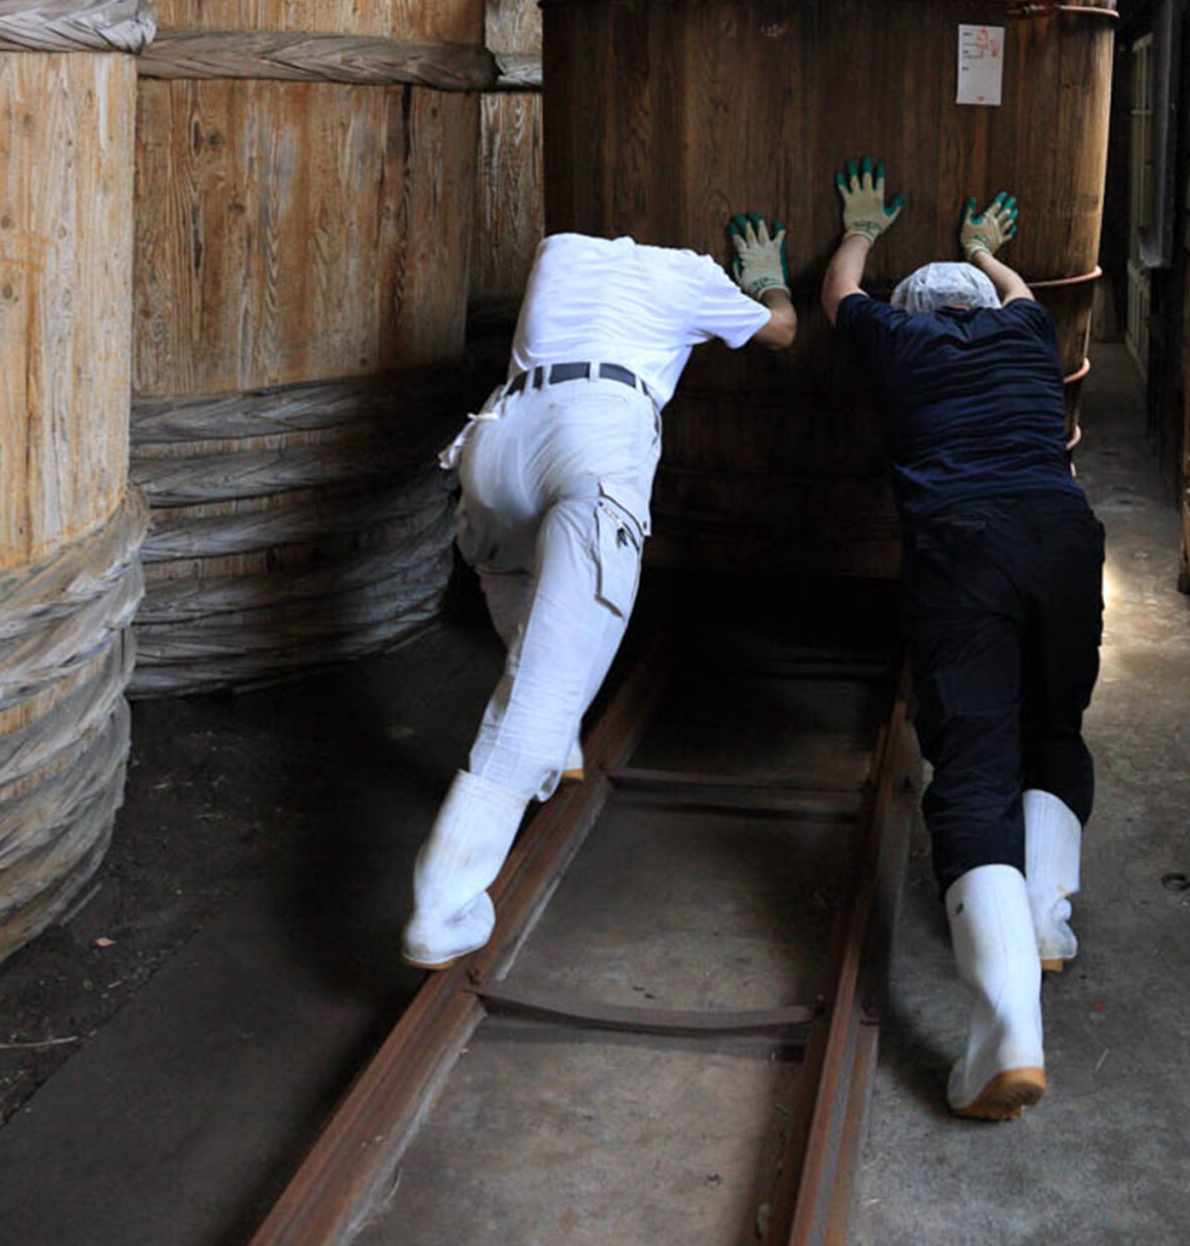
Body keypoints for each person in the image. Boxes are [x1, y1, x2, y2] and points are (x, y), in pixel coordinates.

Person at [403, 215, 796, 968]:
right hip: (594, 440)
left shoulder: (561, 252)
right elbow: (780, 332)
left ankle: (558, 742)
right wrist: (767, 278)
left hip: (500, 439)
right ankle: (440, 904)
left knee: (519, 588)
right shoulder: (693, 275)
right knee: (541, 686)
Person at [822, 160, 1104, 1120]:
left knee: (974, 772)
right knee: (1053, 731)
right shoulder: (1024, 329)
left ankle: (1005, 1039)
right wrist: (985, 249)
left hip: (967, 546)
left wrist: (860, 228)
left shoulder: (897, 338)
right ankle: (1044, 919)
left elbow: (838, 298)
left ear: (917, 310)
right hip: (1064, 536)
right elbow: (1021, 292)